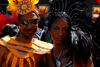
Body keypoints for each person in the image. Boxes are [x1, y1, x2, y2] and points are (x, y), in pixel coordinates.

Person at [0, 0, 53, 67]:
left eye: (33, 21)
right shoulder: (3, 45)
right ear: (18, 23)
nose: (29, 26)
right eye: (25, 22)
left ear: (38, 21)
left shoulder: (42, 50)